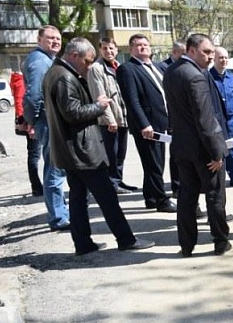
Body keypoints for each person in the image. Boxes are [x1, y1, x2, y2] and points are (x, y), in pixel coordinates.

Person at [43, 37, 154, 256]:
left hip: (71, 150)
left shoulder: (57, 72)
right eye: (86, 61)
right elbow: (72, 113)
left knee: (78, 198)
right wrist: (99, 106)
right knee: (107, 197)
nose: (89, 66)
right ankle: (126, 239)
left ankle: (83, 243)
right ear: (74, 56)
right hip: (82, 151)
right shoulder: (64, 77)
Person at [163, 33, 232, 256]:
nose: (211, 57)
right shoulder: (195, 76)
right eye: (206, 52)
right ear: (191, 51)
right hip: (202, 149)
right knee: (214, 195)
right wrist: (217, 153)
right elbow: (204, 118)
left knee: (187, 196)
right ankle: (220, 240)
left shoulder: (172, 71)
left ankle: (186, 244)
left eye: (212, 52)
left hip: (182, 148)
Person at [117, 33, 178, 213]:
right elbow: (132, 100)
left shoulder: (157, 67)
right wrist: (144, 124)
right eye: (138, 45)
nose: (143, 47)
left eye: (145, 44)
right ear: (131, 49)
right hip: (147, 126)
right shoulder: (128, 69)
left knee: (156, 161)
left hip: (162, 123)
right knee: (153, 164)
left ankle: (150, 197)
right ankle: (161, 200)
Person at [22, 25, 70, 230]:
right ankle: (58, 217)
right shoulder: (40, 61)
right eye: (50, 38)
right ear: (39, 39)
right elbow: (33, 96)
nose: (55, 42)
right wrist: (32, 120)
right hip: (48, 121)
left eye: (58, 38)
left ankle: (61, 212)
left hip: (50, 120)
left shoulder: (47, 59)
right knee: (55, 168)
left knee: (57, 167)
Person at [87, 37, 137, 194]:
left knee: (120, 153)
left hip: (122, 117)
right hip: (109, 120)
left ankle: (119, 180)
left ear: (117, 50)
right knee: (111, 153)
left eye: (111, 48)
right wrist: (110, 119)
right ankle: (112, 183)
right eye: (105, 48)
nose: (108, 51)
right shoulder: (96, 68)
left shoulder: (119, 67)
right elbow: (99, 95)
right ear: (100, 50)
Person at [210, 47, 233, 186]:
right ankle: (218, 179)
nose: (223, 60)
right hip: (216, 121)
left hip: (230, 120)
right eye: (220, 58)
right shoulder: (208, 77)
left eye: (225, 58)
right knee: (218, 150)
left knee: (231, 148)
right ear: (214, 59)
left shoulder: (232, 77)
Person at [10, 70, 42, 196]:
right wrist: (28, 123)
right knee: (34, 155)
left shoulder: (20, 79)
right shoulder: (20, 80)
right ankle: (36, 187)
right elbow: (20, 103)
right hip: (30, 123)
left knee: (34, 155)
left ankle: (37, 186)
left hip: (29, 121)